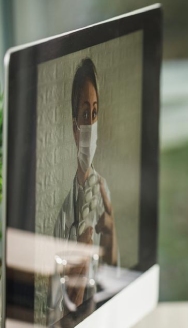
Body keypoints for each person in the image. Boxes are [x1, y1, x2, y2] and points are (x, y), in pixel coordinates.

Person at [50, 58, 119, 318]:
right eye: (83, 114)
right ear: (74, 128)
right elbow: (54, 314)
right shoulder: (63, 220)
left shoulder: (104, 194)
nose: (90, 122)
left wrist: (111, 238)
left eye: (95, 113)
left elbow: (116, 282)